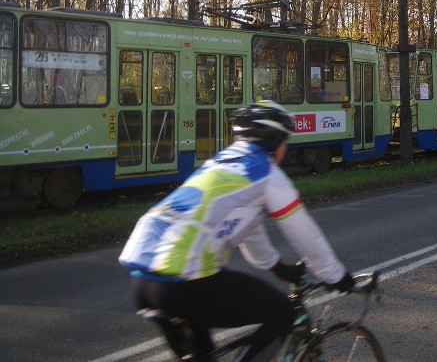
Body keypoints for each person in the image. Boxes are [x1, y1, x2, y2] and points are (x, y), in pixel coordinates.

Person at [119, 100, 354, 361]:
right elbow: (304, 234)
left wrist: (278, 267)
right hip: (185, 277)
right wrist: (335, 275)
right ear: (275, 139)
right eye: (286, 141)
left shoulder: (219, 164)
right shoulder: (266, 173)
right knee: (283, 314)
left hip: (143, 281)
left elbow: (246, 229)